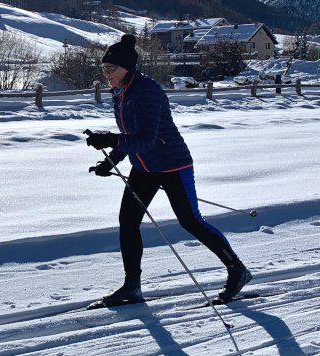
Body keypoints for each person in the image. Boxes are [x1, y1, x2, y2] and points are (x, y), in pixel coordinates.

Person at [86, 34, 252, 305]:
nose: (106, 74)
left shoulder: (147, 91)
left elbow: (146, 139)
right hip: (144, 167)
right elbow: (130, 135)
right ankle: (132, 286)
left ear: (128, 68)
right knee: (127, 222)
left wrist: (112, 140)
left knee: (190, 221)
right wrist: (111, 160)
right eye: (104, 69)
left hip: (173, 164)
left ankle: (237, 269)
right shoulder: (119, 93)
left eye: (111, 69)